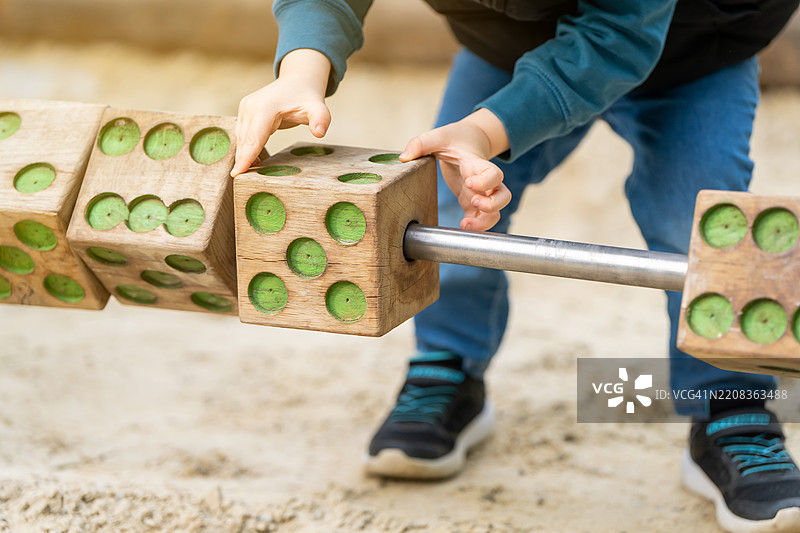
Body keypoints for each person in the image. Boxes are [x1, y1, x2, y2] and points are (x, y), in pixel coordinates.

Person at [232, 1, 800, 531]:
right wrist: (302, 69)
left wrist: (482, 131)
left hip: (697, 49)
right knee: (449, 205)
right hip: (508, 45)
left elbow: (617, 36)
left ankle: (731, 404)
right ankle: (446, 366)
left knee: (702, 226)